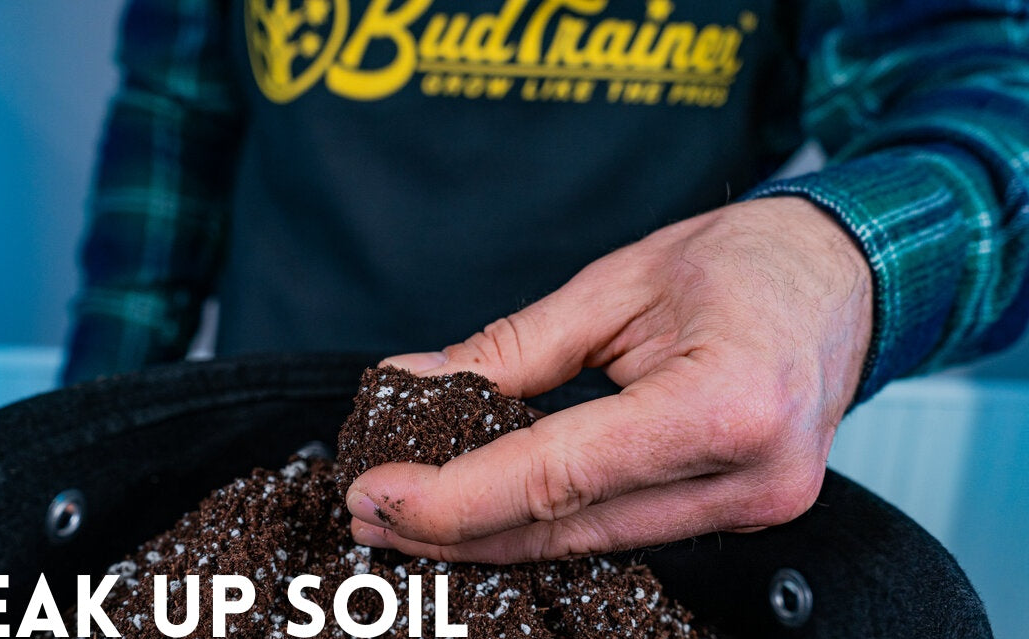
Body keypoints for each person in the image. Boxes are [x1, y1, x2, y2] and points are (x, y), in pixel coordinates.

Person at [64, 0, 1029, 563]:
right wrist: (83, 451)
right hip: (279, 477)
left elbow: (991, 86)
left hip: (631, 520)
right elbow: (172, 124)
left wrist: (841, 258)